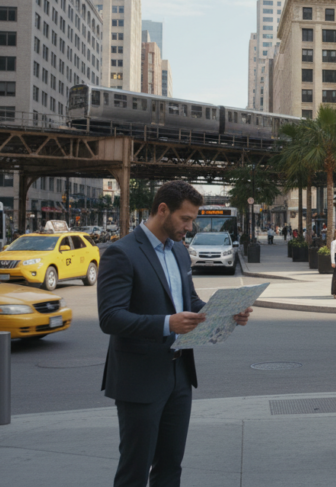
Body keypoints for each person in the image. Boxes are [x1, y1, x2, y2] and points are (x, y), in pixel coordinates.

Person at [97, 180, 253, 487]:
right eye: (186, 219)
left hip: (180, 375)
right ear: (162, 210)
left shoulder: (181, 253)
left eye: (192, 219)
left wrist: (226, 312)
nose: (190, 226)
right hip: (139, 378)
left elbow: (189, 302)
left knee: (170, 467)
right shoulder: (121, 252)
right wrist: (167, 323)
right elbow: (110, 318)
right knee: (134, 470)